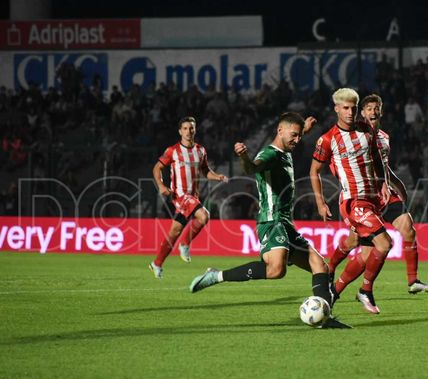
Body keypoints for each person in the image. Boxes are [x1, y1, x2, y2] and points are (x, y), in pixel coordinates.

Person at [189, 112, 349, 328]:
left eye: (300, 136)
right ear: (279, 130)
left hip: (285, 222)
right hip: (271, 221)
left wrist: (303, 129)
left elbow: (292, 134)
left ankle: (324, 318)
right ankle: (216, 276)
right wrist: (244, 157)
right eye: (294, 135)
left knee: (320, 265)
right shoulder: (270, 154)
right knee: (276, 270)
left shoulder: (286, 147)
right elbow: (252, 168)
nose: (298, 140)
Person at [326, 94, 428, 299]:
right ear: (362, 112)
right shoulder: (353, 136)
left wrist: (398, 187)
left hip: (384, 195)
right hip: (361, 196)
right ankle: (330, 271)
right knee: (354, 243)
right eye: (368, 108)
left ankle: (412, 281)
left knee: (408, 229)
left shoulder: (384, 138)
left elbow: (384, 168)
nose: (373, 112)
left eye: (376, 108)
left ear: (381, 111)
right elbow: (338, 162)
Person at [309, 88, 392, 315]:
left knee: (365, 255)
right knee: (384, 244)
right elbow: (314, 170)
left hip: (372, 198)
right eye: (345, 108)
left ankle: (332, 294)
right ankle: (365, 289)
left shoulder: (366, 130)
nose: (350, 112)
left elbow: (376, 157)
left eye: (353, 108)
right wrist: (320, 202)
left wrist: (383, 182)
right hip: (353, 202)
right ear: (336, 108)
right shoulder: (328, 139)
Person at [149, 116, 228, 278]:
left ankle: (156, 263)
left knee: (175, 231)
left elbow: (205, 171)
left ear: (195, 130)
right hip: (180, 195)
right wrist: (162, 186)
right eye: (185, 128)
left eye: (191, 128)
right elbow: (157, 168)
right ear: (180, 131)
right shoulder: (172, 151)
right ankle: (185, 244)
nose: (188, 131)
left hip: (193, 197)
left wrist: (217, 177)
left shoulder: (201, 150)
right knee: (204, 215)